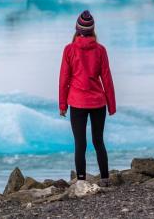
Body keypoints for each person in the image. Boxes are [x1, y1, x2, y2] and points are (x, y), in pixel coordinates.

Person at [58, 10, 116, 187]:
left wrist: (62, 105)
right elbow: (107, 78)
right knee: (98, 141)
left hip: (77, 102)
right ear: (92, 30)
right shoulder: (100, 50)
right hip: (98, 102)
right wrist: (111, 105)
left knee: (80, 143)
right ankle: (105, 178)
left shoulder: (69, 49)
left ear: (77, 29)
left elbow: (64, 79)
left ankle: (81, 180)